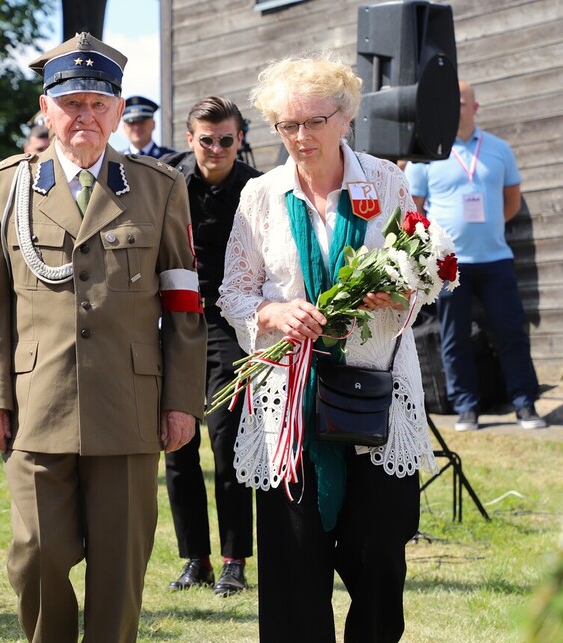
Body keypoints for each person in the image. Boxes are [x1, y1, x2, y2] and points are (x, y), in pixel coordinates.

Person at [0, 32, 207, 642]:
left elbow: (182, 304)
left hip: (128, 404)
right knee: (36, 556)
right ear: (46, 109)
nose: (86, 116)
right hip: (37, 403)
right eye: (72, 103)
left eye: (100, 103)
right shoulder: (2, 188)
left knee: (120, 566)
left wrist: (181, 400)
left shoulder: (160, 187)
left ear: (120, 112)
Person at [218, 52, 436, 642]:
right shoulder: (260, 196)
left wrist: (393, 293)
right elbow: (233, 295)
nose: (301, 136)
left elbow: (422, 279)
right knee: (292, 565)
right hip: (289, 404)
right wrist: (275, 310)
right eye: (287, 125)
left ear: (346, 119)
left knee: (379, 555)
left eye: (314, 121)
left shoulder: (386, 183)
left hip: (376, 398)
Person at [159, 96, 260, 595]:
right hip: (172, 319)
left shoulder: (255, 187)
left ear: (239, 139)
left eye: (227, 139)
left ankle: (234, 560)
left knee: (227, 439)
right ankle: (194, 558)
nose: (217, 149)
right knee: (177, 443)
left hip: (228, 324)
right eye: (207, 139)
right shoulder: (165, 180)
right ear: (189, 137)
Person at [404, 81, 547, 432]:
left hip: (496, 259)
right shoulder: (428, 154)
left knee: (511, 332)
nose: (455, 110)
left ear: (475, 107)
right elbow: (414, 212)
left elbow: (510, 203)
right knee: (454, 338)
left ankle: (525, 403)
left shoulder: (499, 149)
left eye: (461, 103)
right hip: (450, 266)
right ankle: (465, 406)